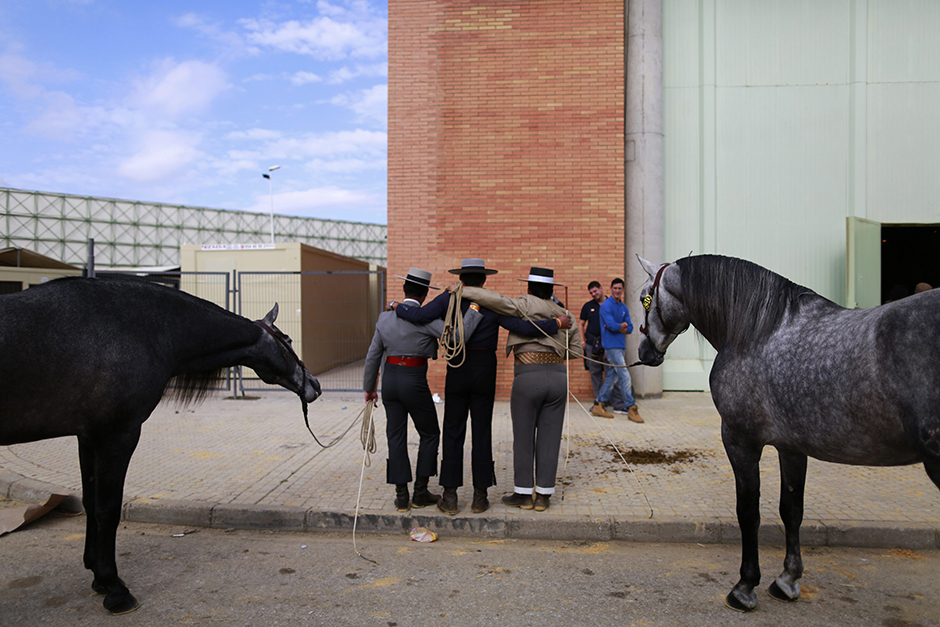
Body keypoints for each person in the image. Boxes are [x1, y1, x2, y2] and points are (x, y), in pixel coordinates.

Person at [392, 258, 570, 515]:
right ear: (484, 280)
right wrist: (556, 324)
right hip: (485, 369)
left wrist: (396, 306)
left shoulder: (448, 297)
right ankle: (480, 497)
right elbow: (522, 327)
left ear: (462, 278)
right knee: (482, 431)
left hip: (457, 367)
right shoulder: (492, 302)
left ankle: (450, 497)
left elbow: (419, 316)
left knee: (453, 432)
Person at [460, 267, 582, 512]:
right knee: (551, 436)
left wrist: (462, 290)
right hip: (558, 377)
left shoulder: (523, 305)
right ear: (551, 290)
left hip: (527, 375)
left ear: (528, 288)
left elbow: (494, 300)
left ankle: (524, 494)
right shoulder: (565, 313)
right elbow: (576, 351)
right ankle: (544, 496)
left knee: (524, 436)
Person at [363, 267, 482, 512]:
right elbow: (457, 339)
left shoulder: (384, 318)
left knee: (395, 437)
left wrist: (370, 389)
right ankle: (420, 492)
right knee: (429, 434)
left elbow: (373, 356)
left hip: (390, 382)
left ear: (404, 289)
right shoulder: (427, 319)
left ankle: (401, 497)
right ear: (425, 294)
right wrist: (474, 310)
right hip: (414, 379)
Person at [591, 277, 643, 423]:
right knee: (624, 375)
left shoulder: (624, 307)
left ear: (623, 290)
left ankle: (599, 404)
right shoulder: (606, 306)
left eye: (620, 288)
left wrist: (620, 326)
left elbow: (630, 328)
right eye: (615, 288)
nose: (617, 291)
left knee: (612, 378)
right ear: (611, 289)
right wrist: (621, 326)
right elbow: (611, 326)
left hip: (621, 346)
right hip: (611, 346)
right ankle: (631, 407)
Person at [578, 280, 626, 414]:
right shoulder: (588, 306)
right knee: (596, 375)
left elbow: (620, 324)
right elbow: (581, 324)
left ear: (601, 288)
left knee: (613, 373)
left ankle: (618, 404)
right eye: (591, 293)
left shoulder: (612, 305)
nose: (594, 294)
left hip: (609, 345)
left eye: (595, 291)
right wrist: (583, 342)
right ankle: (600, 403)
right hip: (592, 345)